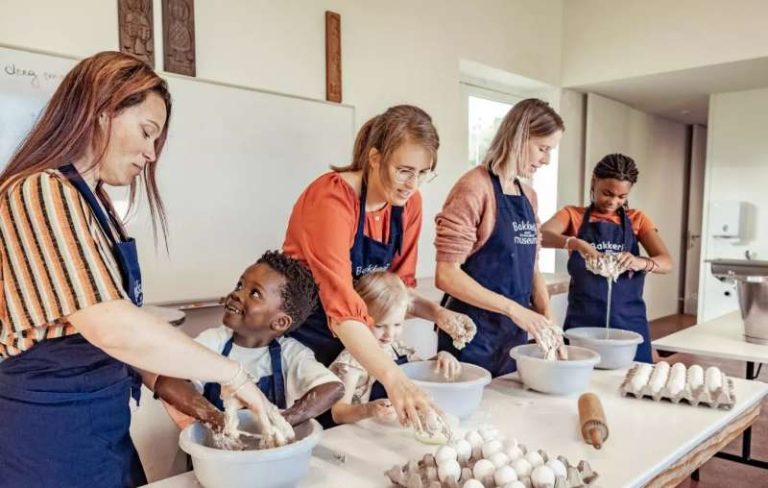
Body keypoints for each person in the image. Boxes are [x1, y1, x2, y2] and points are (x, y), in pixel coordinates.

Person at [0, 51, 280, 487]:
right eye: (147, 133)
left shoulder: (95, 204)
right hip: (48, 431)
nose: (151, 154)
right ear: (101, 111)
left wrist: (168, 384)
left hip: (98, 420)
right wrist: (233, 375)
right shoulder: (39, 191)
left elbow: (104, 322)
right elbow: (108, 323)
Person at [283, 105, 476, 426]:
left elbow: (397, 295)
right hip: (307, 346)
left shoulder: (407, 204)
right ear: (374, 158)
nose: (412, 184)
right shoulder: (331, 200)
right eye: (404, 170)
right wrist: (394, 379)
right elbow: (341, 311)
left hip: (360, 350)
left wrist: (438, 313)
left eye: (422, 173)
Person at [434, 99, 565, 377]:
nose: (546, 160)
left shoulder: (529, 196)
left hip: (511, 335)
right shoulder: (474, 187)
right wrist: (515, 309)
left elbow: (531, 267)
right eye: (542, 148)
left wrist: (549, 320)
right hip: (469, 334)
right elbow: (446, 274)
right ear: (519, 137)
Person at [154, 251, 344, 430]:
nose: (237, 294)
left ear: (280, 322)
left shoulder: (292, 354)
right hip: (213, 453)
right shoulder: (213, 341)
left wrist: (280, 423)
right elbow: (168, 382)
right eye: (240, 285)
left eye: (255, 293)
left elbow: (332, 388)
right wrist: (219, 421)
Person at [540, 153, 673, 362]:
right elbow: (541, 235)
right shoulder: (572, 215)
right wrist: (576, 243)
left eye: (622, 197)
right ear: (594, 181)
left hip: (629, 322)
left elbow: (667, 263)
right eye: (607, 193)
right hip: (583, 322)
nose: (613, 202)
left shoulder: (637, 219)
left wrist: (640, 262)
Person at [329, 271, 461, 425]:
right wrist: (370, 409)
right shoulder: (351, 362)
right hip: (360, 435)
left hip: (388, 431)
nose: (389, 334)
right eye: (379, 325)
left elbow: (417, 371)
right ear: (359, 320)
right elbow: (338, 413)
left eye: (397, 324)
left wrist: (440, 358)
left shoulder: (397, 348)